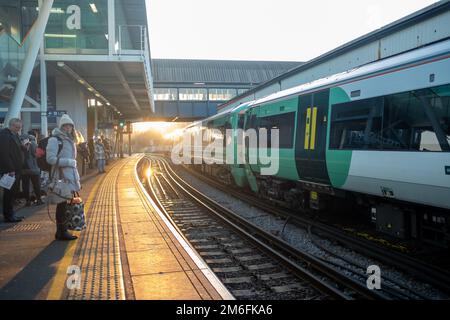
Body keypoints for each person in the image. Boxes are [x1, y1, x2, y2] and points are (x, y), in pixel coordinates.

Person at [46, 114, 81, 241]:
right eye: (65, 126)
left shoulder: (70, 140)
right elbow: (50, 159)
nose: (68, 128)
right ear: (61, 127)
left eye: (70, 126)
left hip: (69, 177)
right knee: (61, 205)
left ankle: (61, 231)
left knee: (65, 205)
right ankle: (62, 231)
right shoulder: (55, 140)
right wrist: (69, 162)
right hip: (61, 178)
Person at [0, 118, 25, 223]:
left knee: (12, 193)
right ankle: (8, 216)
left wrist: (24, 148)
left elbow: (16, 150)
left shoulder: (14, 135)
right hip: (10, 170)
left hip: (16, 169)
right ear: (10, 125)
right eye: (16, 127)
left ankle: (11, 214)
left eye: (19, 127)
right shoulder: (4, 135)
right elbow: (4, 154)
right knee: (9, 194)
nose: (18, 129)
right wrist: (10, 169)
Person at [21, 132, 43, 206]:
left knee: (25, 185)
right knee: (36, 184)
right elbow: (37, 155)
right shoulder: (33, 143)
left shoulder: (20, 142)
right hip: (34, 168)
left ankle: (28, 201)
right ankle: (39, 200)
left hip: (23, 168)